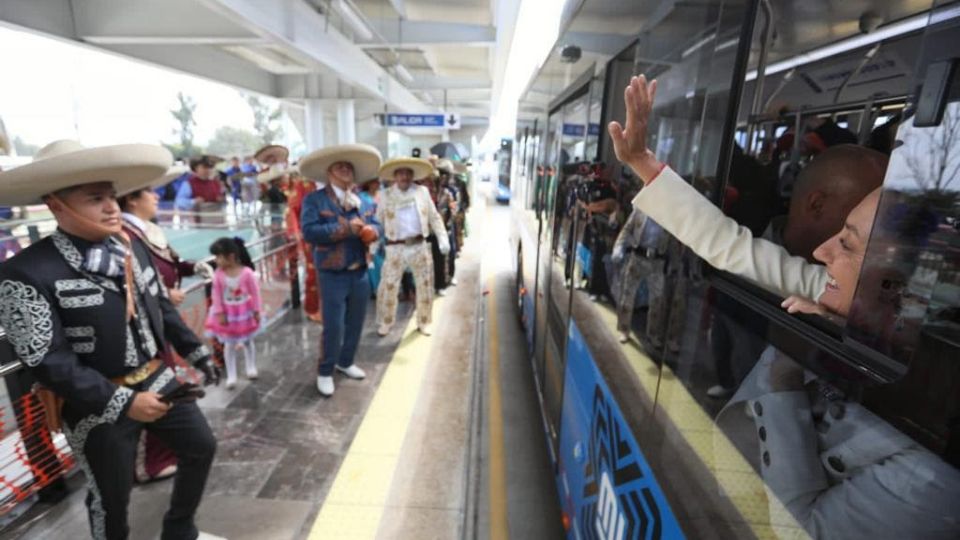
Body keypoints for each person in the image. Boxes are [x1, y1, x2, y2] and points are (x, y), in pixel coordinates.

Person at [609, 74, 960, 539]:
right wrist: (642, 161)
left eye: (849, 245)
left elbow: (798, 528)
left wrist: (785, 373)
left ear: (898, 279)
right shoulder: (844, 289)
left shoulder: (931, 461)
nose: (821, 252)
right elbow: (731, 248)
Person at [0, 140, 223, 540]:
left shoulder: (128, 244)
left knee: (201, 446)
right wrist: (124, 402)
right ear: (56, 205)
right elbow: (48, 361)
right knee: (110, 497)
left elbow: (160, 307)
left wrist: (197, 352)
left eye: (112, 196)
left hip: (156, 378)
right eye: (95, 199)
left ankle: (179, 530)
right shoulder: (25, 271)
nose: (111, 207)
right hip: (94, 404)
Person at [118, 165, 216, 484]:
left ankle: (160, 457)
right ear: (132, 200)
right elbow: (134, 284)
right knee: (156, 389)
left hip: (163, 320)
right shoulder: (126, 236)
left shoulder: (145, 230)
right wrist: (160, 292)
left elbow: (169, 262)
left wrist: (192, 267)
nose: (157, 196)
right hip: (145, 328)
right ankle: (149, 462)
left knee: (166, 386)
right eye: (149, 191)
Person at [299, 144, 382, 397]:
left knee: (356, 322)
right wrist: (348, 229)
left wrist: (374, 231)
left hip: (359, 270)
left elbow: (378, 224)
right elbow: (310, 232)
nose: (346, 170)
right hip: (332, 272)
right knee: (333, 325)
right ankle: (325, 371)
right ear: (329, 172)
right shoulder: (315, 199)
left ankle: (345, 362)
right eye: (340, 166)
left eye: (349, 167)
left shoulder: (365, 199)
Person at [375, 157, 449, 336]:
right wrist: (372, 246)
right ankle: (386, 322)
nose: (404, 177)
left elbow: (434, 216)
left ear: (412, 175)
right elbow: (378, 221)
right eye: (400, 173)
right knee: (389, 285)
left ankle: (424, 322)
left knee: (425, 284)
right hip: (395, 247)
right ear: (394, 176)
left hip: (419, 245)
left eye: (408, 173)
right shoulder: (385, 195)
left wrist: (442, 237)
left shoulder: (422, 192)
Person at [205, 237, 261, 389]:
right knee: (229, 345)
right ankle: (231, 375)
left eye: (218, 256)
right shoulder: (218, 275)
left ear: (230, 256)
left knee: (248, 341)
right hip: (228, 315)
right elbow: (215, 295)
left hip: (244, 313)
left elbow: (255, 293)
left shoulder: (247, 273)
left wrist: (256, 310)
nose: (216, 260)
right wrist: (219, 312)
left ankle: (251, 367)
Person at [358, 177, 385, 295]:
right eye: (375, 182)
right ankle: (375, 288)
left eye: (378, 182)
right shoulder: (361, 197)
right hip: (369, 232)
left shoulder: (383, 195)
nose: (377, 184)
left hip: (384, 232)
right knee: (372, 259)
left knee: (384, 260)